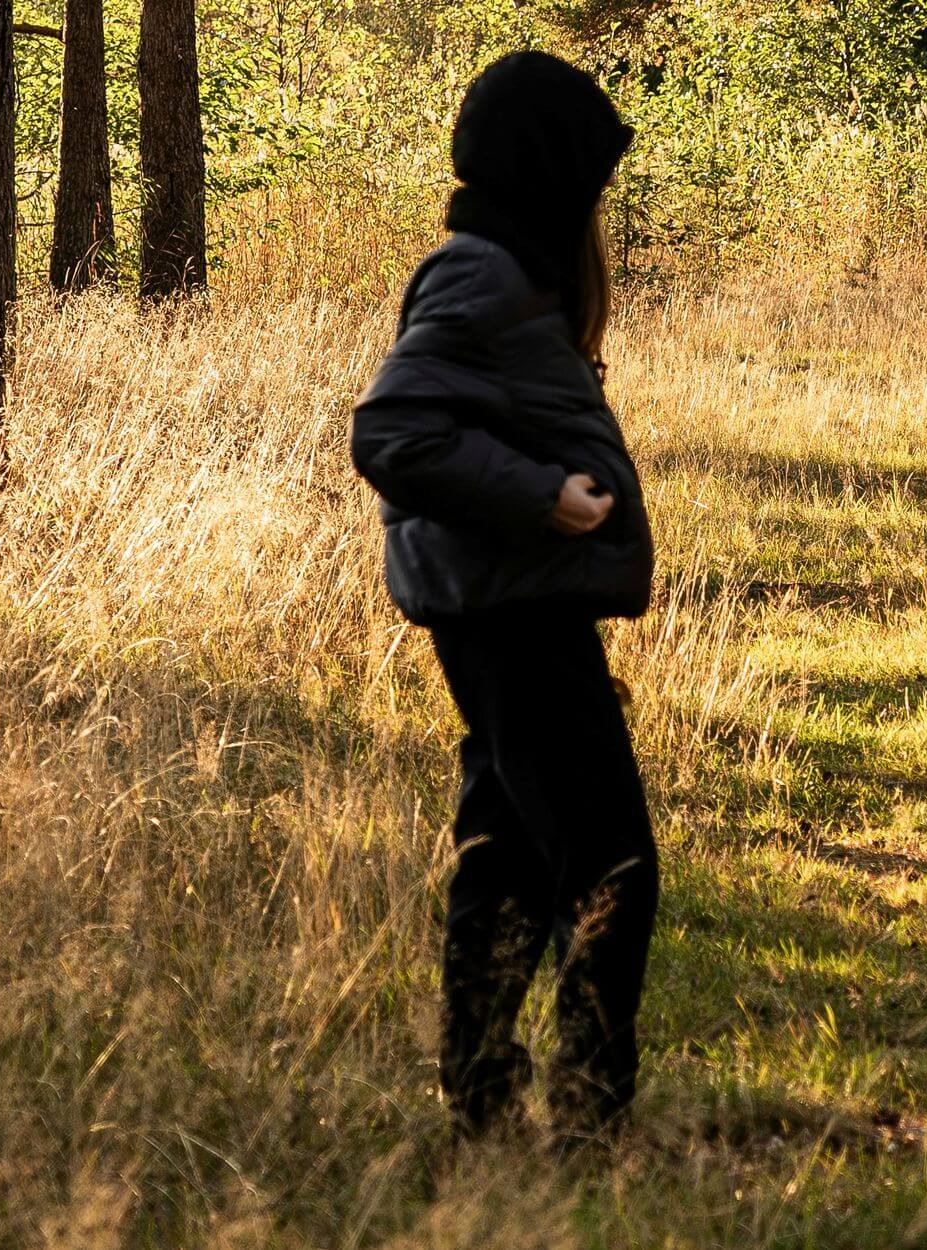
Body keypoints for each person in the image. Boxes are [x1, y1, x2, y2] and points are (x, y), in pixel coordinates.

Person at [350, 50, 658, 1144]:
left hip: (508, 605)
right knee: (612, 859)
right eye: (589, 167)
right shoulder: (481, 270)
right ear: (550, 168)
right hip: (512, 609)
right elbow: (390, 433)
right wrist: (547, 499)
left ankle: (479, 1094)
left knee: (512, 851)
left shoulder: (506, 264)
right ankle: (588, 1116)